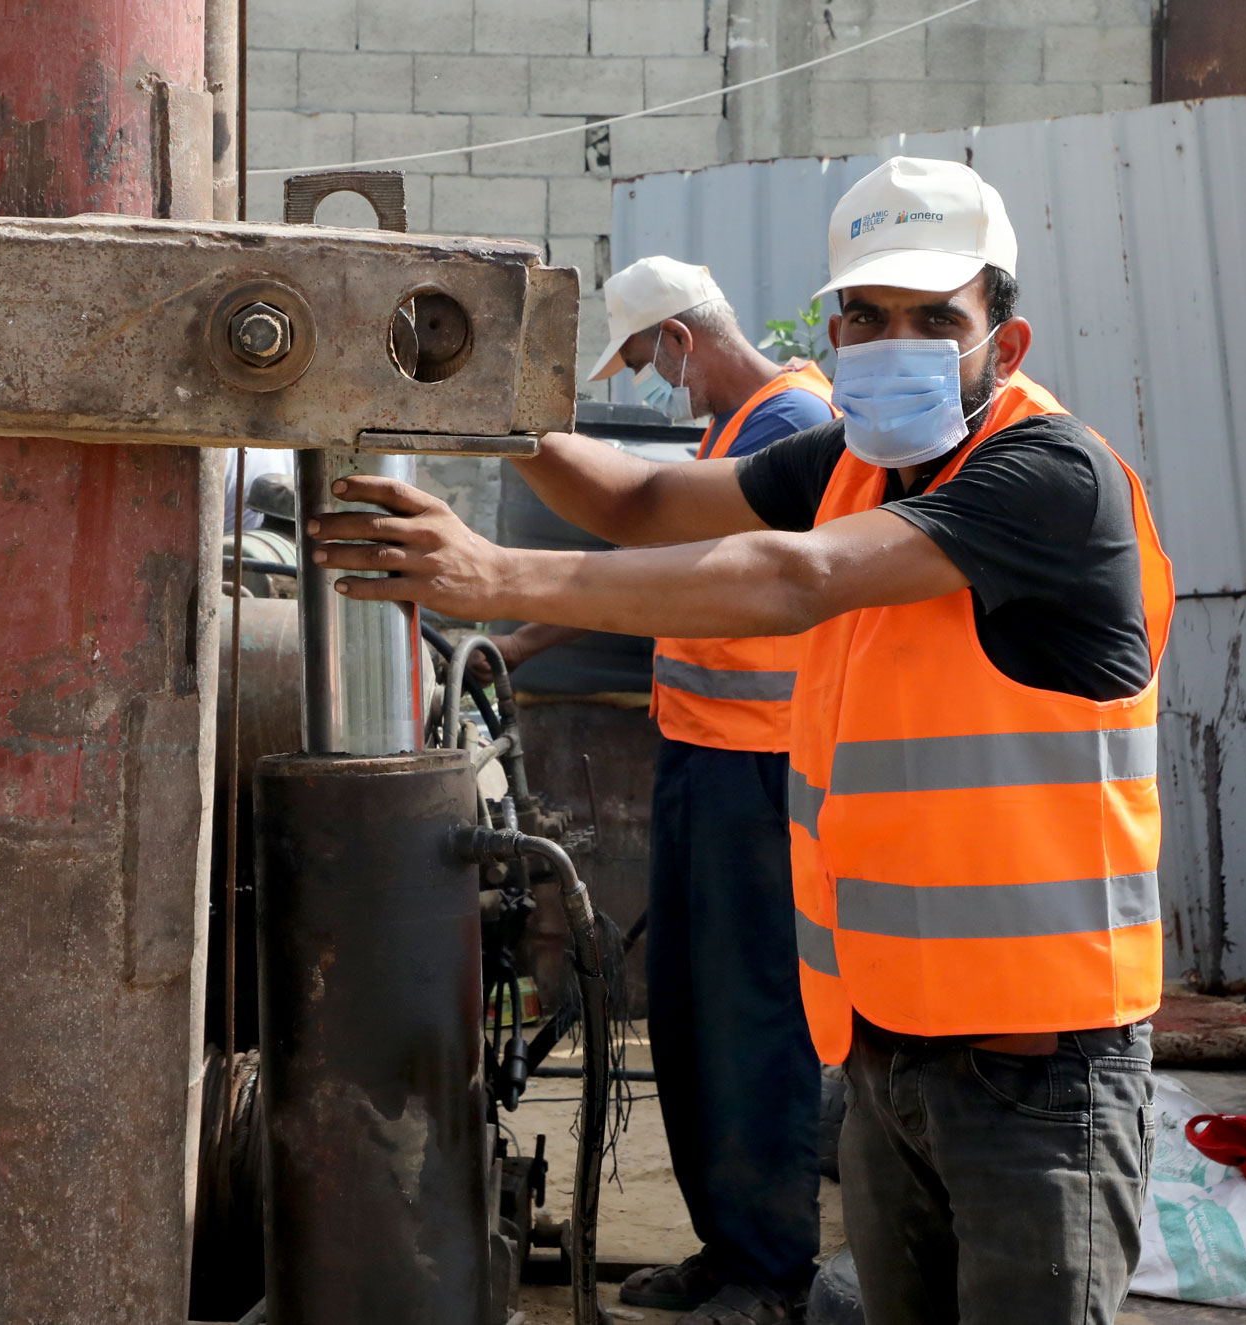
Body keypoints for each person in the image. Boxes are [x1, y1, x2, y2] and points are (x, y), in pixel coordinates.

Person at [307, 156, 1171, 1325]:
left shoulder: (1046, 475)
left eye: (934, 320)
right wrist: (479, 385)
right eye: (863, 315)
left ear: (1000, 345)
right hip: (887, 1055)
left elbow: (794, 578)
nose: (888, 342)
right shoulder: (853, 464)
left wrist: (493, 572)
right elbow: (636, 506)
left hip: (1037, 1070)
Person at [484, 255, 836, 1323]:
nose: (650, 382)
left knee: (751, 1018)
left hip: (762, 764)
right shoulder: (733, 437)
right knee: (686, 1015)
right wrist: (515, 640)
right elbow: (647, 579)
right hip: (701, 753)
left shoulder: (790, 431)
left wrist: (509, 600)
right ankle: (723, 1247)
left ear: (682, 338)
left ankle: (770, 1271)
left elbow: (704, 578)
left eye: (644, 359)